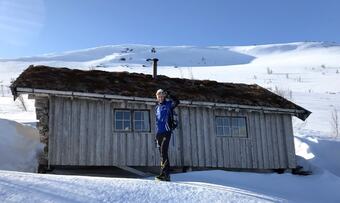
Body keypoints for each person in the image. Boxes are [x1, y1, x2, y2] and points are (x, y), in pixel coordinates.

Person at [155, 89, 179, 181]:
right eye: (159, 96)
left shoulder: (168, 104)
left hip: (166, 132)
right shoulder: (157, 108)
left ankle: (166, 175)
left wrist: (170, 95)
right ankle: (163, 174)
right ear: (156, 97)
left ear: (164, 96)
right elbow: (158, 122)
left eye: (162, 96)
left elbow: (177, 102)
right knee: (162, 154)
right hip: (159, 133)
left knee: (164, 152)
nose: (160, 97)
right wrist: (156, 135)